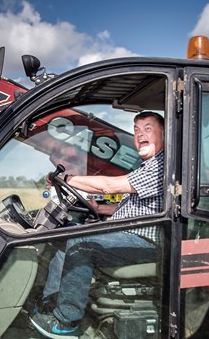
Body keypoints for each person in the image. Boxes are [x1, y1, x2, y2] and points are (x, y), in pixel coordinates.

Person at [29, 111, 165, 338]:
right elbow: (141, 207)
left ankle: (66, 321)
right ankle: (50, 304)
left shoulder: (161, 167)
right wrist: (100, 209)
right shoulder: (145, 166)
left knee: (82, 240)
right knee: (67, 233)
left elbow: (109, 186)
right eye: (137, 130)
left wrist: (67, 179)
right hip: (127, 233)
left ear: (164, 134)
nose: (140, 134)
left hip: (146, 242)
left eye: (148, 129)